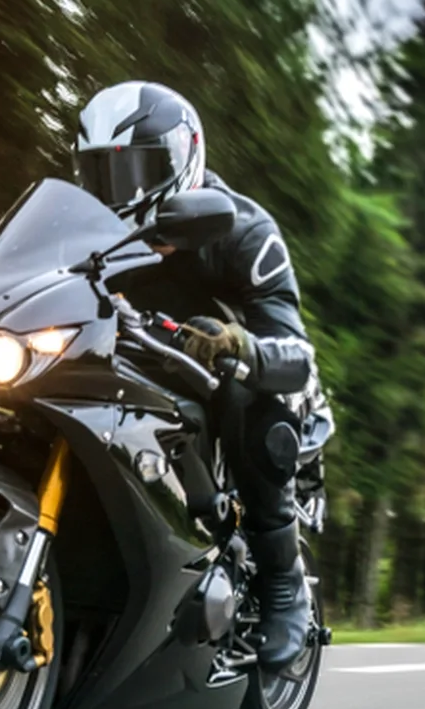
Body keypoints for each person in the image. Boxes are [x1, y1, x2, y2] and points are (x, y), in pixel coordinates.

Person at [73, 80, 320, 669]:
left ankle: (283, 588)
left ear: (184, 160)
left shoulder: (247, 234)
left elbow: (297, 353)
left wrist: (240, 346)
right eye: (102, 175)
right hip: (129, 366)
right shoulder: (91, 234)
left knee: (249, 396)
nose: (118, 191)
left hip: (223, 384)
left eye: (135, 171)